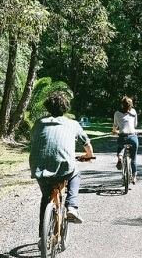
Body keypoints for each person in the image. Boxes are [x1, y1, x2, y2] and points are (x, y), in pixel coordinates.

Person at [30, 91, 94, 247]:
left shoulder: (38, 123)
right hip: (64, 166)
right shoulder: (73, 124)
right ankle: (72, 206)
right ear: (65, 108)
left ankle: (42, 237)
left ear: (48, 107)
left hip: (39, 167)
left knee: (46, 198)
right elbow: (87, 147)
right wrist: (87, 156)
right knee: (75, 173)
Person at [112, 96, 139, 184]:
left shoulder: (117, 113)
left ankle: (120, 158)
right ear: (131, 105)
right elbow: (135, 125)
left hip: (122, 136)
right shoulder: (134, 112)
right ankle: (134, 177)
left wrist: (114, 131)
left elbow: (115, 126)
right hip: (132, 137)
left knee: (120, 146)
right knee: (133, 158)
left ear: (122, 104)